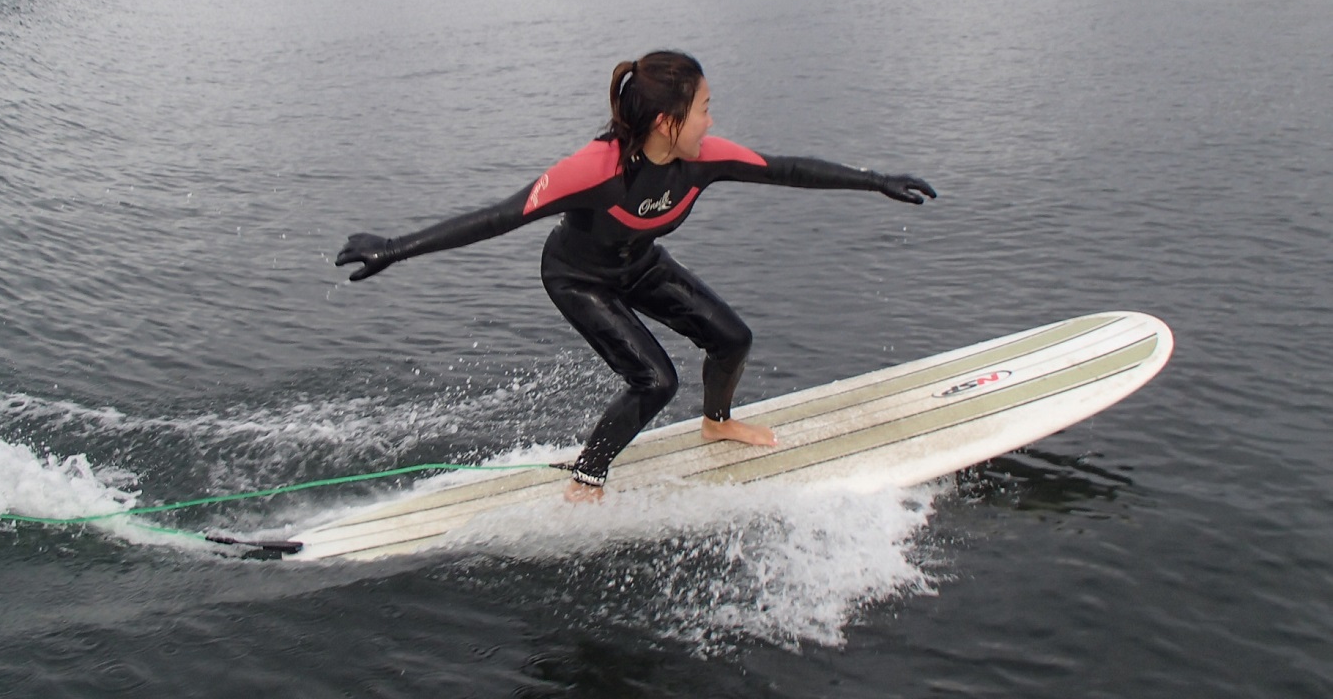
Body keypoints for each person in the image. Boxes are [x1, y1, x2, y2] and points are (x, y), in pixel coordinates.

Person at [337, 52, 936, 502]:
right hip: (579, 279)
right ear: (667, 122)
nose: (712, 118)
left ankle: (716, 424)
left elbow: (786, 169)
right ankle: (587, 474)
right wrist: (393, 249)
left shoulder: (703, 159)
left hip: (640, 265)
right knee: (654, 380)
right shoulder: (593, 171)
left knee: (732, 339)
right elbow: (499, 216)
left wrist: (875, 180)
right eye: (704, 107)